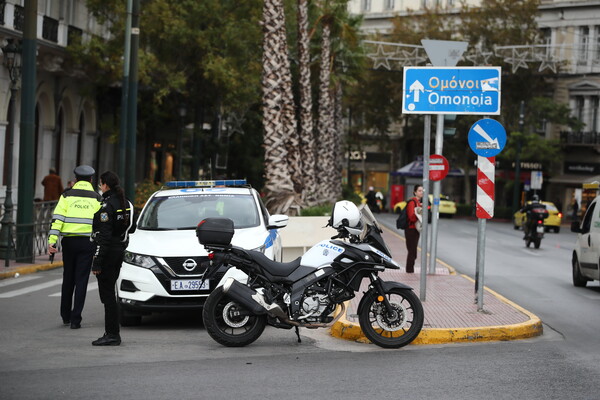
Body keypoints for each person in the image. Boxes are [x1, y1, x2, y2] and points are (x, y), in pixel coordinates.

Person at [48, 165, 102, 329]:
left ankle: (65, 315)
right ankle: (76, 319)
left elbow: (57, 218)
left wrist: (52, 241)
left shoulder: (66, 195)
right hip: (88, 243)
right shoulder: (96, 198)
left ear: (76, 179)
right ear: (91, 179)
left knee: (68, 278)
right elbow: (100, 224)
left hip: (69, 242)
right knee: (82, 280)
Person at [91, 171, 136, 346]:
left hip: (108, 253)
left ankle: (112, 334)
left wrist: (97, 261)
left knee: (108, 295)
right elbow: (132, 228)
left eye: (100, 184)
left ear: (105, 186)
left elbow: (104, 237)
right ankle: (112, 333)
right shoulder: (127, 204)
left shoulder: (107, 206)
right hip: (119, 251)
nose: (99, 187)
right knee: (111, 292)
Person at [405, 184, 423, 273]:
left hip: (415, 229)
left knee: (413, 251)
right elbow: (411, 217)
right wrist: (419, 214)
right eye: (419, 191)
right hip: (411, 229)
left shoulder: (418, 202)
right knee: (412, 251)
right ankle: (409, 270)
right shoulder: (412, 202)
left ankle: (410, 269)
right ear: (415, 192)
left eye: (422, 190)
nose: (421, 192)